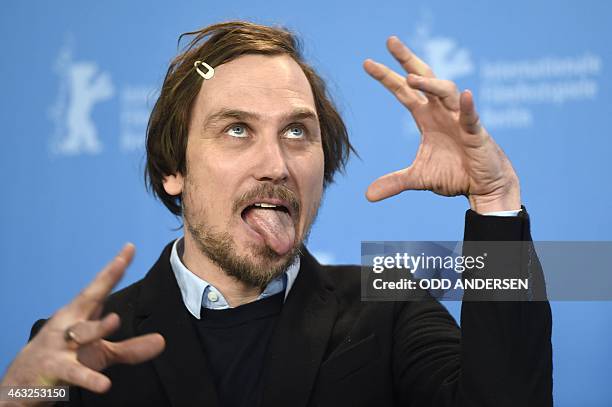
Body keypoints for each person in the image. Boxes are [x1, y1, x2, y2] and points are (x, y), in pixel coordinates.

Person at [0, 21, 552, 406]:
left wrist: (494, 201)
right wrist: (15, 397)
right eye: (237, 129)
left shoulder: (390, 304)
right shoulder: (79, 349)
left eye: (296, 132)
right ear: (175, 168)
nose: (277, 164)